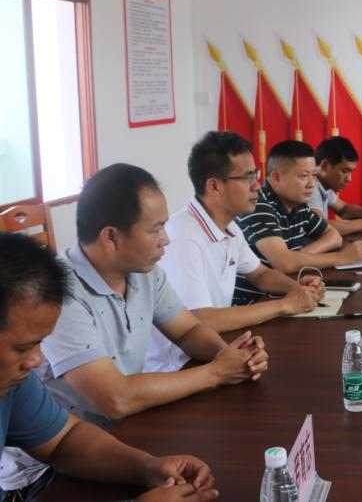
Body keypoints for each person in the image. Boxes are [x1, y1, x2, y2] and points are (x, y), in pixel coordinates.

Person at [0, 164, 267, 494]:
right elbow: (114, 398)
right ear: (111, 236)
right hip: (41, 475)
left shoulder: (144, 272)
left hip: (110, 436)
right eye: (156, 229)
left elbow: (187, 330)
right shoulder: (61, 293)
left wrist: (231, 357)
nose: (37, 361)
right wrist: (216, 372)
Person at [0, 233, 218, 501]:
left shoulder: (14, 384)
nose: (36, 360)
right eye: (22, 348)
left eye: (40, 344)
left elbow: (63, 440)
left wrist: (145, 467)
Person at [146, 131, 326, 373]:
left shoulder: (229, 226)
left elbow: (261, 274)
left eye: (256, 175)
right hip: (178, 368)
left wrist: (297, 290)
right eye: (247, 177)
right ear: (214, 186)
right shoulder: (182, 237)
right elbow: (202, 319)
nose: (256, 186)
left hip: (214, 352)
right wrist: (284, 305)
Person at [235, 140, 362, 301]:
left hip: (284, 291)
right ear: (276, 177)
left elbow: (333, 235)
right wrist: (342, 258)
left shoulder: (298, 204)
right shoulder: (258, 205)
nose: (311, 184)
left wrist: (300, 256)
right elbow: (284, 263)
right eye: (303, 176)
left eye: (313, 175)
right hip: (254, 302)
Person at [310, 136, 362, 235]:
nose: (349, 179)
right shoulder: (311, 186)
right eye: (344, 171)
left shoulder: (324, 185)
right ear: (325, 166)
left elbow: (344, 209)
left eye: (351, 172)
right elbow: (319, 226)